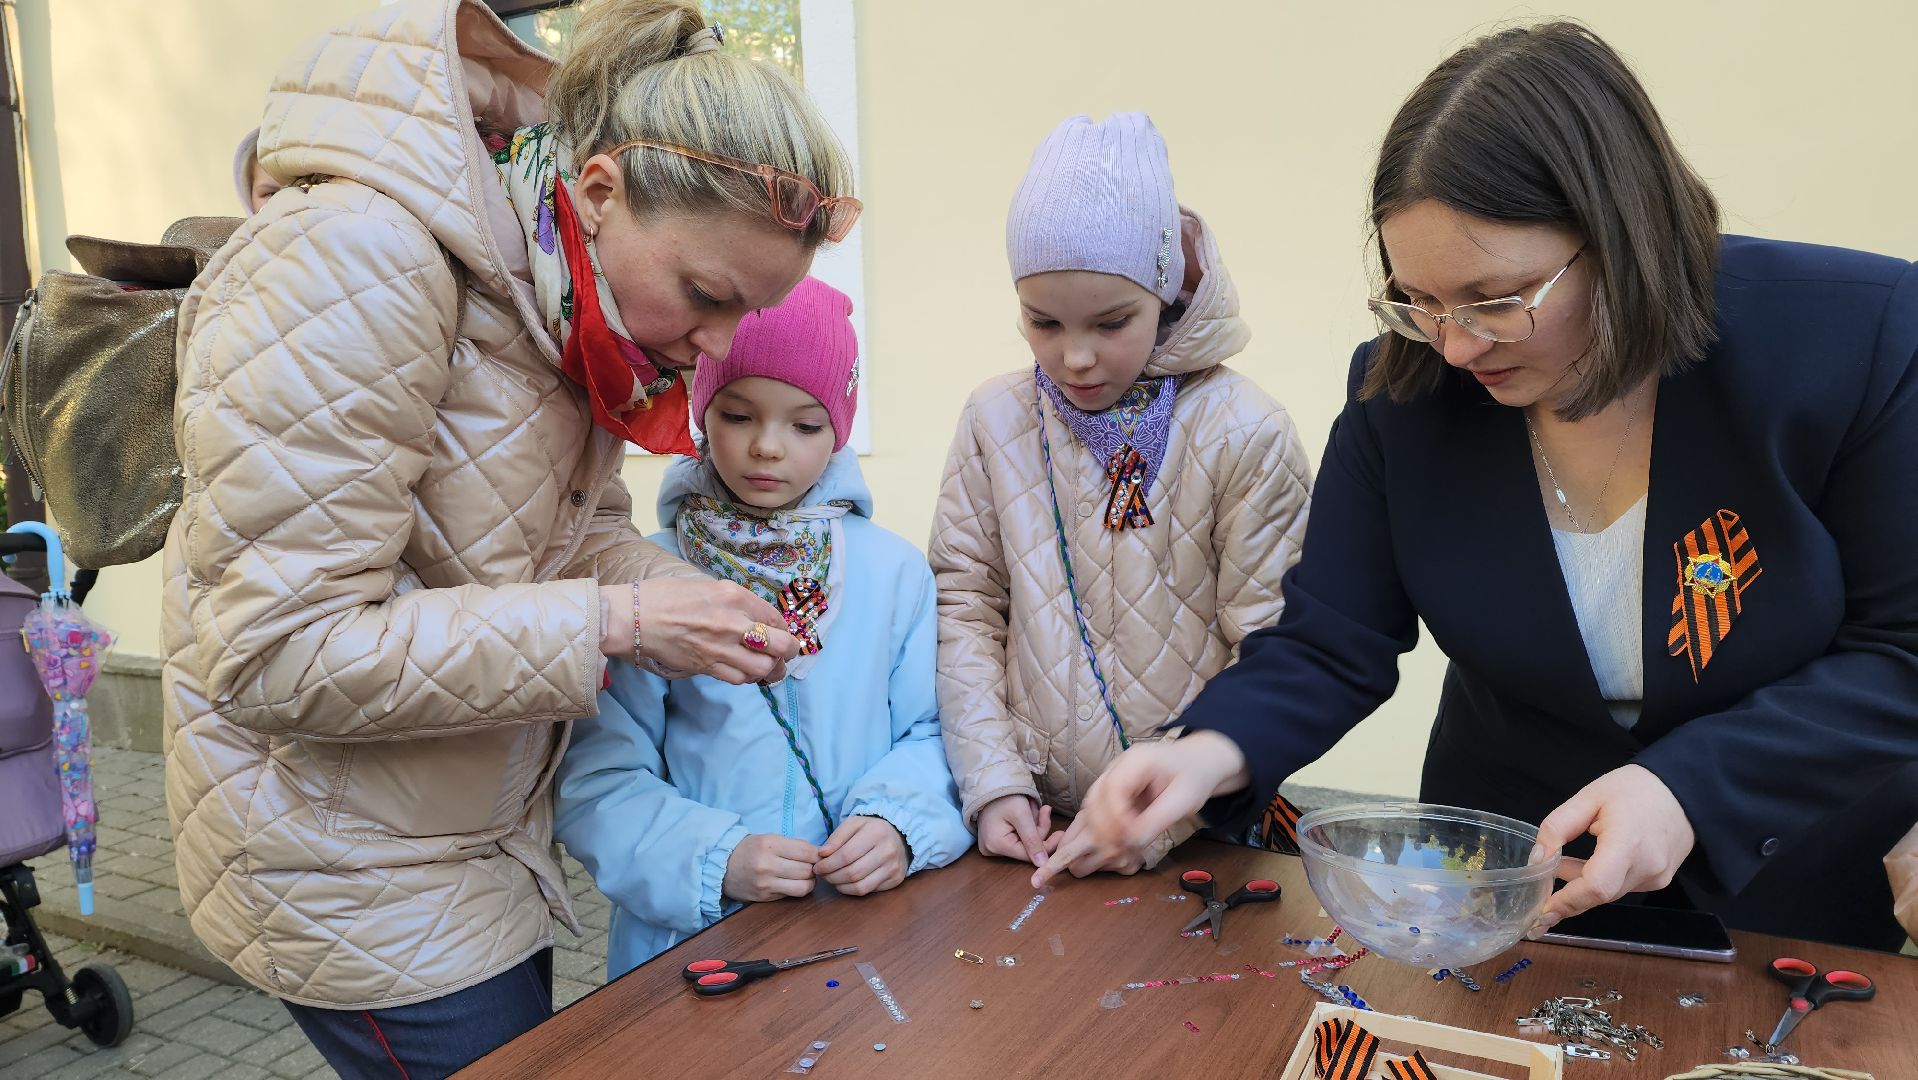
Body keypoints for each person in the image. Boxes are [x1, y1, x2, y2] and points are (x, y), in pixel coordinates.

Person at [1039, 22, 1918, 952]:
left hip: (1788, 884)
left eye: (1496, 302)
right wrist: (1208, 751)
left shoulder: (1855, 343)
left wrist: (1690, 787)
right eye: (1418, 299)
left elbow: (1901, 650)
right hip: (1506, 883)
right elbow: (1334, 638)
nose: (1455, 346)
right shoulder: (1404, 387)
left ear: (1623, 235)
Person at [163, 0, 858, 1073]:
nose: (715, 346)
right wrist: (620, 618)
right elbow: (273, 652)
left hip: (464, 847)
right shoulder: (356, 263)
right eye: (707, 296)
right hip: (354, 875)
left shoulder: (552, 281)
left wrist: (676, 594)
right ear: (598, 192)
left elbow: (574, 528)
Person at [931, 112, 1313, 874]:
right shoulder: (995, 417)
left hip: (1200, 836)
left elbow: (1274, 643)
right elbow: (965, 604)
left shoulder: (1244, 430)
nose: (1074, 357)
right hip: (1031, 825)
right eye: (1042, 322)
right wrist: (994, 783)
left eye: (1113, 322)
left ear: (1166, 291)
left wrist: (1162, 815)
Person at [556, 278, 970, 977]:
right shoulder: (648, 579)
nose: (767, 448)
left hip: (868, 935)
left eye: (805, 425)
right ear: (700, 411)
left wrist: (898, 824)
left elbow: (935, 732)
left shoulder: (895, 573)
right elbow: (600, 776)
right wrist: (715, 859)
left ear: (838, 429)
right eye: (738, 415)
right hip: (688, 945)